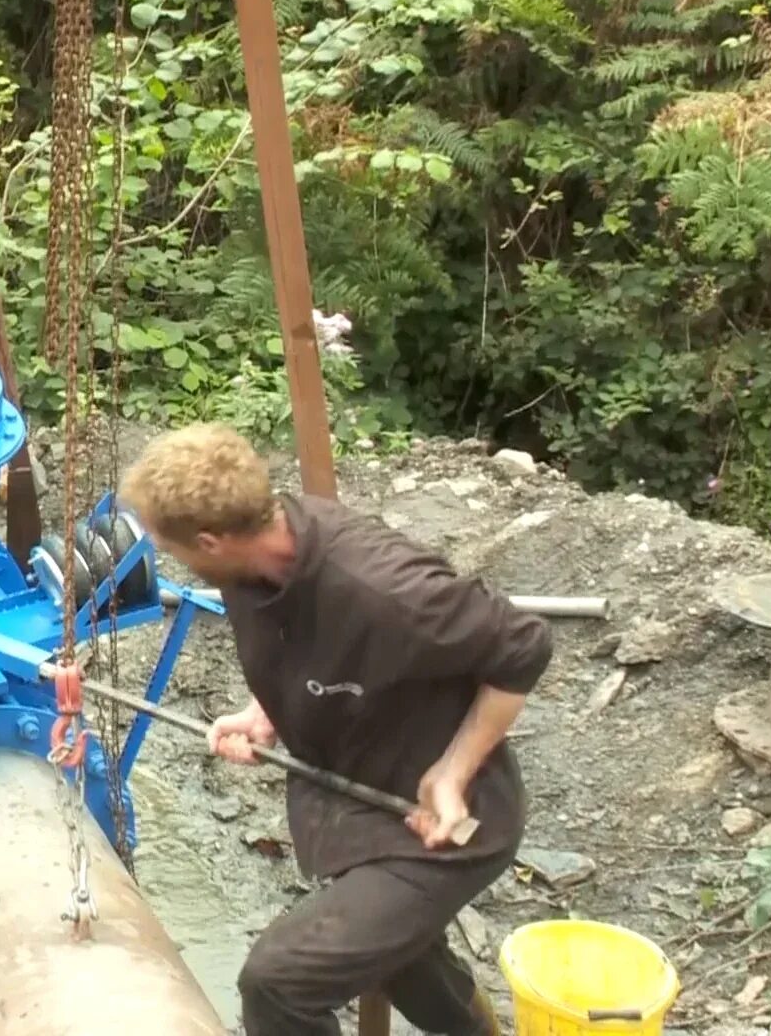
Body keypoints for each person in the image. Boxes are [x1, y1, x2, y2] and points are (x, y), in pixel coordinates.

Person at [103, 423, 550, 1036]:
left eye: (171, 548)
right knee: (397, 955)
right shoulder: (249, 562)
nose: (170, 558)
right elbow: (308, 653)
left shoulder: (385, 588)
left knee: (279, 982)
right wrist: (265, 714)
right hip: (355, 791)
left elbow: (525, 649)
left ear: (210, 540)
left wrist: (452, 771)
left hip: (449, 819)